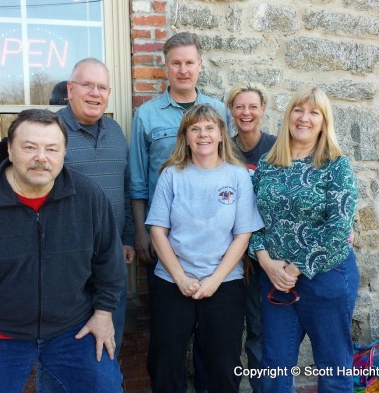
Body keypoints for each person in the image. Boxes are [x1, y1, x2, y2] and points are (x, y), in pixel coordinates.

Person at [0, 109, 125, 393]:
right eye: (29, 147)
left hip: (73, 329)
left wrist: (104, 314)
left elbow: (110, 264)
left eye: (51, 149)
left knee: (106, 387)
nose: (41, 157)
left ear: (63, 153)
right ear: (10, 149)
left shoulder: (89, 198)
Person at [128, 31, 231, 391]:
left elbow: (228, 168)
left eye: (190, 62)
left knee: (214, 349)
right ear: (165, 66)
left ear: (200, 66)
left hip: (216, 250)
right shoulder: (146, 115)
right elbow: (138, 181)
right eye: (176, 63)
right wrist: (140, 232)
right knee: (167, 344)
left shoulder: (219, 111)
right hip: (165, 242)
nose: (183, 70)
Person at [146, 104, 263, 393]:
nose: (203, 134)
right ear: (185, 136)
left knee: (223, 367)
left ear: (222, 134)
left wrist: (213, 281)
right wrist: (182, 278)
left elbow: (243, 234)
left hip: (224, 284)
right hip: (172, 282)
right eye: (195, 129)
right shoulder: (171, 175)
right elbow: (157, 232)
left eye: (210, 127)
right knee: (166, 363)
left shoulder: (238, 177)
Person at [250, 87, 358, 393]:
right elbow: (249, 219)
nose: (305, 118)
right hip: (275, 281)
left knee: (334, 368)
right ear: (288, 116)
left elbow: (338, 228)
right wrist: (266, 262)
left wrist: (294, 269)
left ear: (324, 122)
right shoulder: (268, 165)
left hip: (326, 280)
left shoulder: (336, 165)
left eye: (314, 112)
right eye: (299, 110)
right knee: (274, 366)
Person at [56, 58, 134, 354]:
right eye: (87, 85)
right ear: (70, 89)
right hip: (66, 261)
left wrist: (127, 237)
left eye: (102, 87)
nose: (95, 93)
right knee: (67, 349)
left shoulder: (115, 131)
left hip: (111, 258)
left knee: (110, 342)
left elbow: (126, 187)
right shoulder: (52, 131)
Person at [225, 82, 275, 393]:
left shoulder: (276, 148)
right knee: (227, 331)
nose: (246, 112)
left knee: (260, 331)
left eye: (252, 106)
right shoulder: (223, 149)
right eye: (240, 107)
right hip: (229, 254)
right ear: (231, 111)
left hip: (265, 255)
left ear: (262, 110)